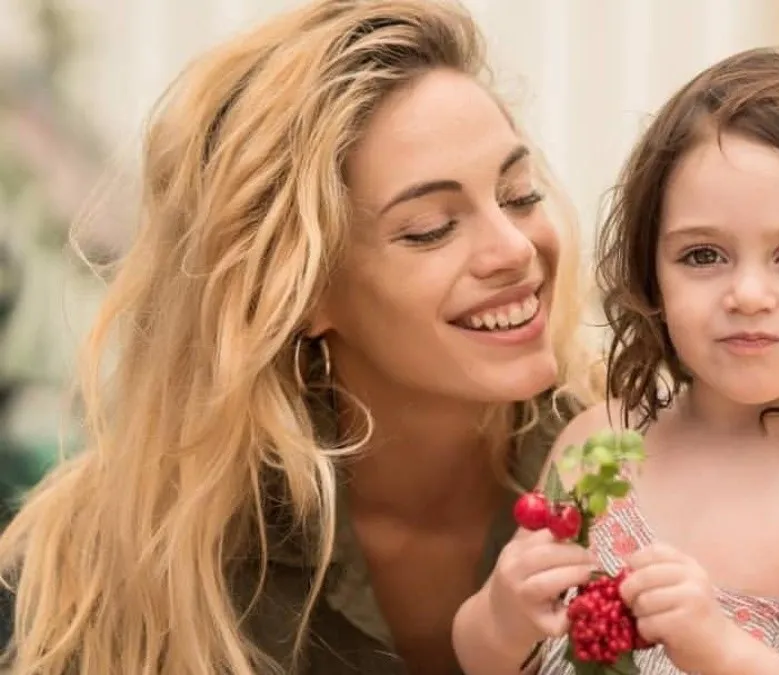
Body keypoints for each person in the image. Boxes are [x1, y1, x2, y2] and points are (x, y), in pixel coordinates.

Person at [0, 1, 600, 673]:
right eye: (431, 226)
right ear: (301, 289)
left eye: (519, 194)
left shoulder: (655, 463)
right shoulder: (107, 566)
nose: (515, 247)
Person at [453, 48, 779, 675]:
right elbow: (478, 657)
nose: (748, 295)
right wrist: (503, 617)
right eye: (703, 256)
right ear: (655, 274)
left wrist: (718, 649)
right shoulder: (605, 443)